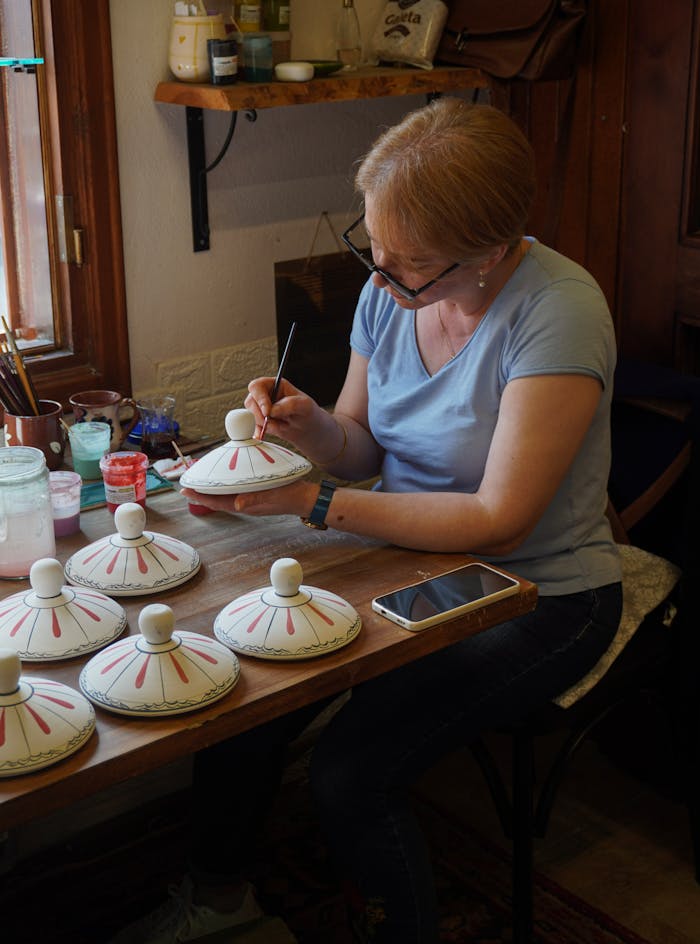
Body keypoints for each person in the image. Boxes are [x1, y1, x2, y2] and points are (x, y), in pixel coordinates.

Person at [113, 97, 622, 944]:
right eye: (373, 253)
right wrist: (309, 429)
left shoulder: (558, 311)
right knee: (239, 679)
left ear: (491, 253)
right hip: (405, 557)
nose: (380, 282)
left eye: (408, 265)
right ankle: (220, 897)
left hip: (541, 590)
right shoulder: (392, 289)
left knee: (352, 772)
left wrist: (312, 503)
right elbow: (358, 449)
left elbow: (500, 520)